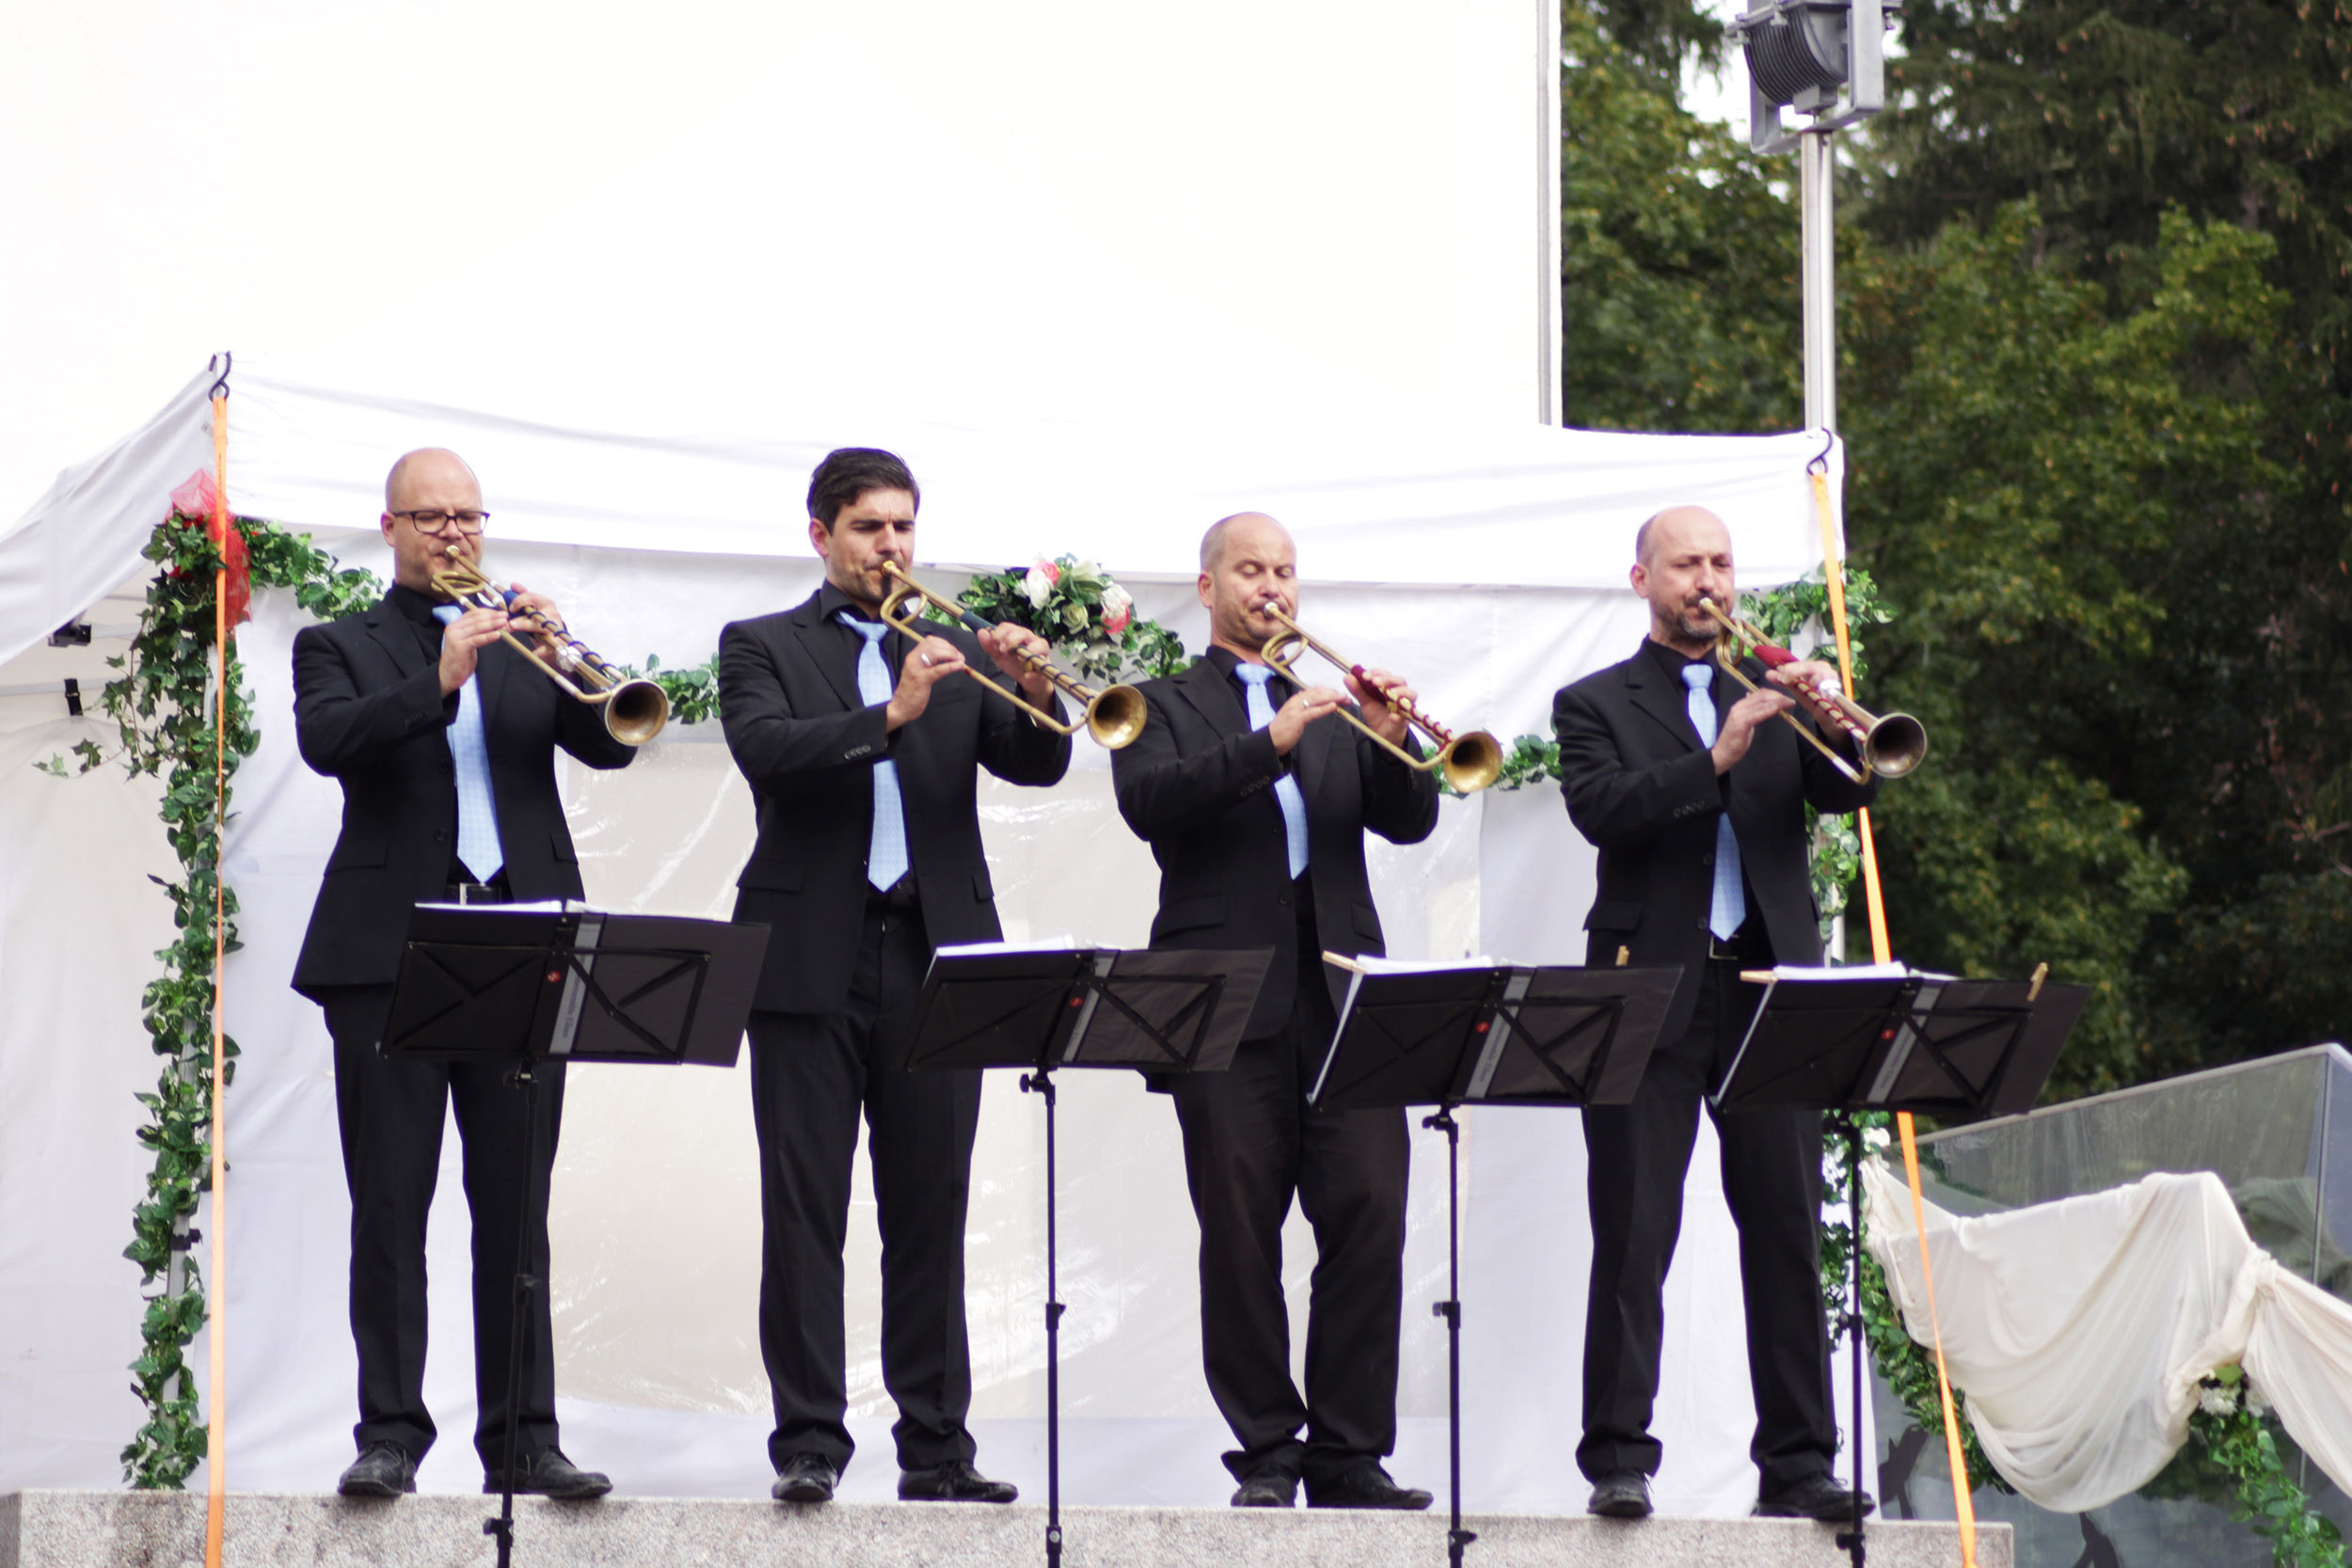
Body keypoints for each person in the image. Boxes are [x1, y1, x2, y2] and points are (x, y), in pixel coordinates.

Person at [718, 447, 1070, 1505]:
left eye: (905, 526)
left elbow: (1040, 759)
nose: (893, 547)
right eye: (871, 527)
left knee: (931, 1209)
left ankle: (938, 1449)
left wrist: (1034, 679)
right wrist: (892, 713)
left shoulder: (953, 645)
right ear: (821, 533)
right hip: (806, 954)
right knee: (805, 1205)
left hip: (934, 950)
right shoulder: (761, 644)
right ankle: (810, 1443)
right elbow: (768, 753)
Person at [292, 447, 631, 1500]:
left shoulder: (525, 641)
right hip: (387, 951)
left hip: (525, 943)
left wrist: (560, 647)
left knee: (515, 1206)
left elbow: (614, 740)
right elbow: (328, 740)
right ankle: (390, 1431)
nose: (454, 533)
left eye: (470, 516)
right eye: (431, 516)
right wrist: (438, 677)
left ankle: (525, 1437)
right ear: (388, 526)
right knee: (390, 1203)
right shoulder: (337, 642)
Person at [1551, 504, 1880, 1521]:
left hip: (1769, 986)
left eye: (1722, 562)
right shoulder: (1592, 700)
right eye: (1687, 562)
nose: (1710, 580)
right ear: (1641, 578)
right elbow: (1603, 809)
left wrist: (1835, 725)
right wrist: (1719, 755)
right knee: (1635, 1226)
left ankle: (1798, 1463)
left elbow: (1851, 796)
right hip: (1650, 987)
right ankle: (1618, 1455)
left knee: (1784, 1229)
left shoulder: (1775, 690)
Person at [1109, 511, 1438, 1512]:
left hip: (1343, 995)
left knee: (1370, 1216)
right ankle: (1267, 1445)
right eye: (1251, 570)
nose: (1274, 589)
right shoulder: (1157, 701)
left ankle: (1348, 1453)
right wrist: (1272, 738)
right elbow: (1152, 804)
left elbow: (1412, 816)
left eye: (1286, 572)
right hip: (1221, 998)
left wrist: (1386, 736)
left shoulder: (1333, 701)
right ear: (1206, 587)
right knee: (1240, 1230)